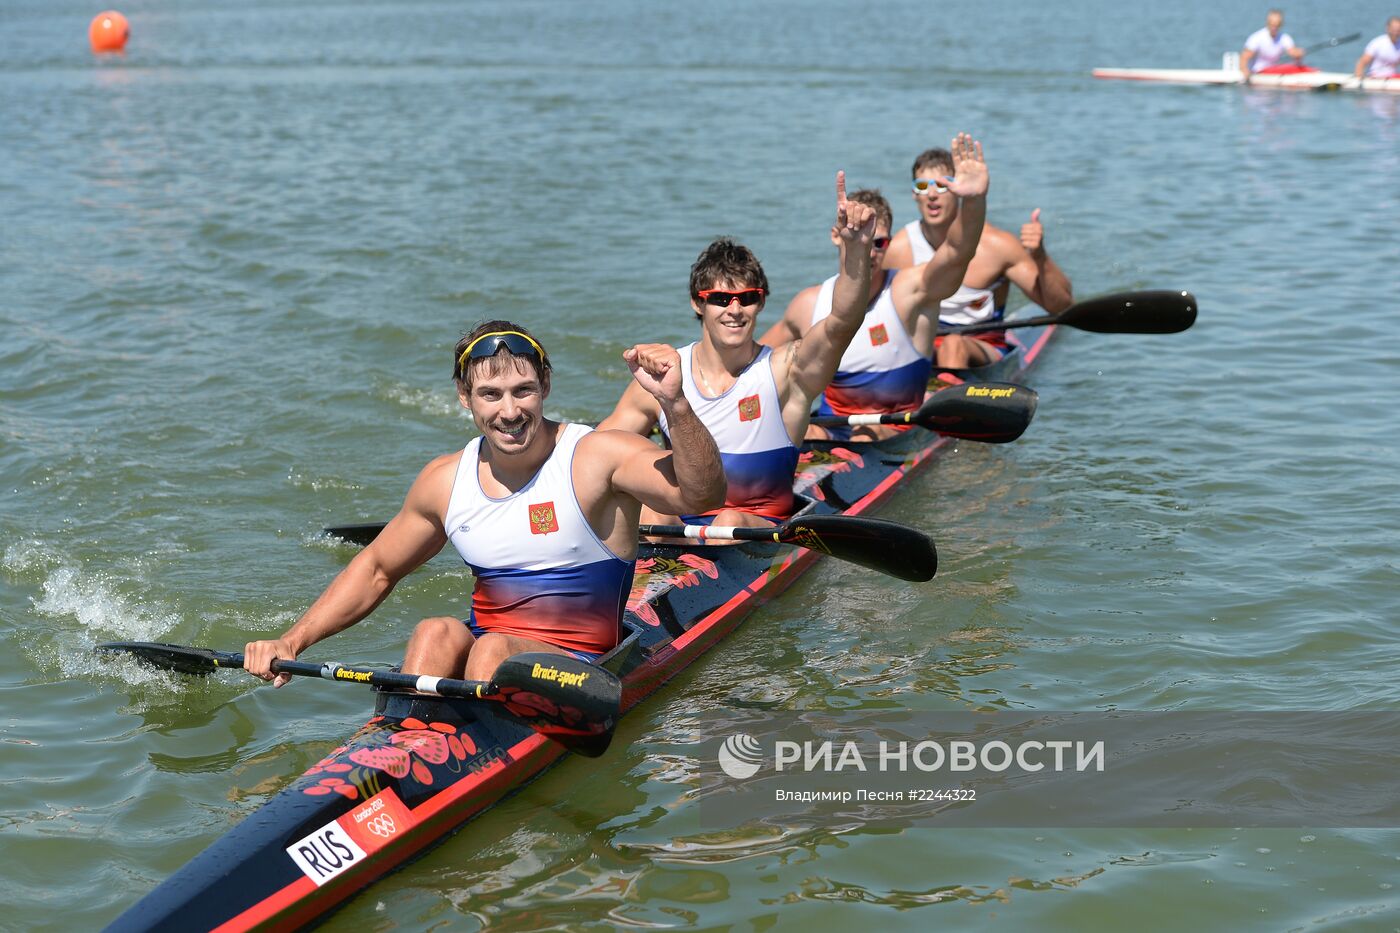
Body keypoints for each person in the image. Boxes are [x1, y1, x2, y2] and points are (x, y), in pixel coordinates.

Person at [243, 322, 726, 685]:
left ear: (546, 387)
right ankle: (404, 742)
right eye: (490, 395)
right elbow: (375, 568)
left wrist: (675, 405)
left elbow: (702, 494)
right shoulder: (445, 480)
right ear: (464, 398)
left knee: (493, 648)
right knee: (434, 631)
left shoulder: (598, 455)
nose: (510, 411)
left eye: (523, 391)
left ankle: (452, 752)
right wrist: (291, 641)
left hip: (583, 666)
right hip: (488, 658)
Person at [597, 171, 880, 528]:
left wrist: (855, 249)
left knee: (728, 518)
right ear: (697, 304)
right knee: (641, 511)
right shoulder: (662, 375)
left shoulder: (786, 370)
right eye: (719, 299)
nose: (734, 310)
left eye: (747, 298)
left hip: (755, 524)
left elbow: (842, 320)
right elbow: (598, 451)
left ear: (760, 304)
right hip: (682, 521)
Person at [758, 135, 991, 441]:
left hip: (896, 428)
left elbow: (957, 252)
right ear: (836, 235)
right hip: (829, 429)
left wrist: (973, 201)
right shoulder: (808, 304)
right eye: (856, 236)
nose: (867, 250)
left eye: (877, 242)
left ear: (889, 244)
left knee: (864, 436)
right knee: (795, 430)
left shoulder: (909, 290)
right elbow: (752, 368)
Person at [883, 146, 1072, 369]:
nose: (932, 194)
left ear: (958, 188)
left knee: (953, 345)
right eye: (923, 186)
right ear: (914, 194)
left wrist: (1039, 256)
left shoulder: (998, 246)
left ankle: (946, 393)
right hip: (925, 344)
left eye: (943, 185)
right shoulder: (898, 249)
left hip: (984, 345)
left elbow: (1059, 306)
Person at [1241, 10, 1306, 78]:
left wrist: (1298, 53)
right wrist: (1245, 71)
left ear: (1281, 24)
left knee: (1293, 67)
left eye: (1277, 25)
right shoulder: (1257, 38)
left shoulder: (1284, 38)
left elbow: (1292, 52)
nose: (1274, 28)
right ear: (1267, 23)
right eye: (1272, 24)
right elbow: (1244, 57)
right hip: (1258, 72)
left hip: (1273, 71)